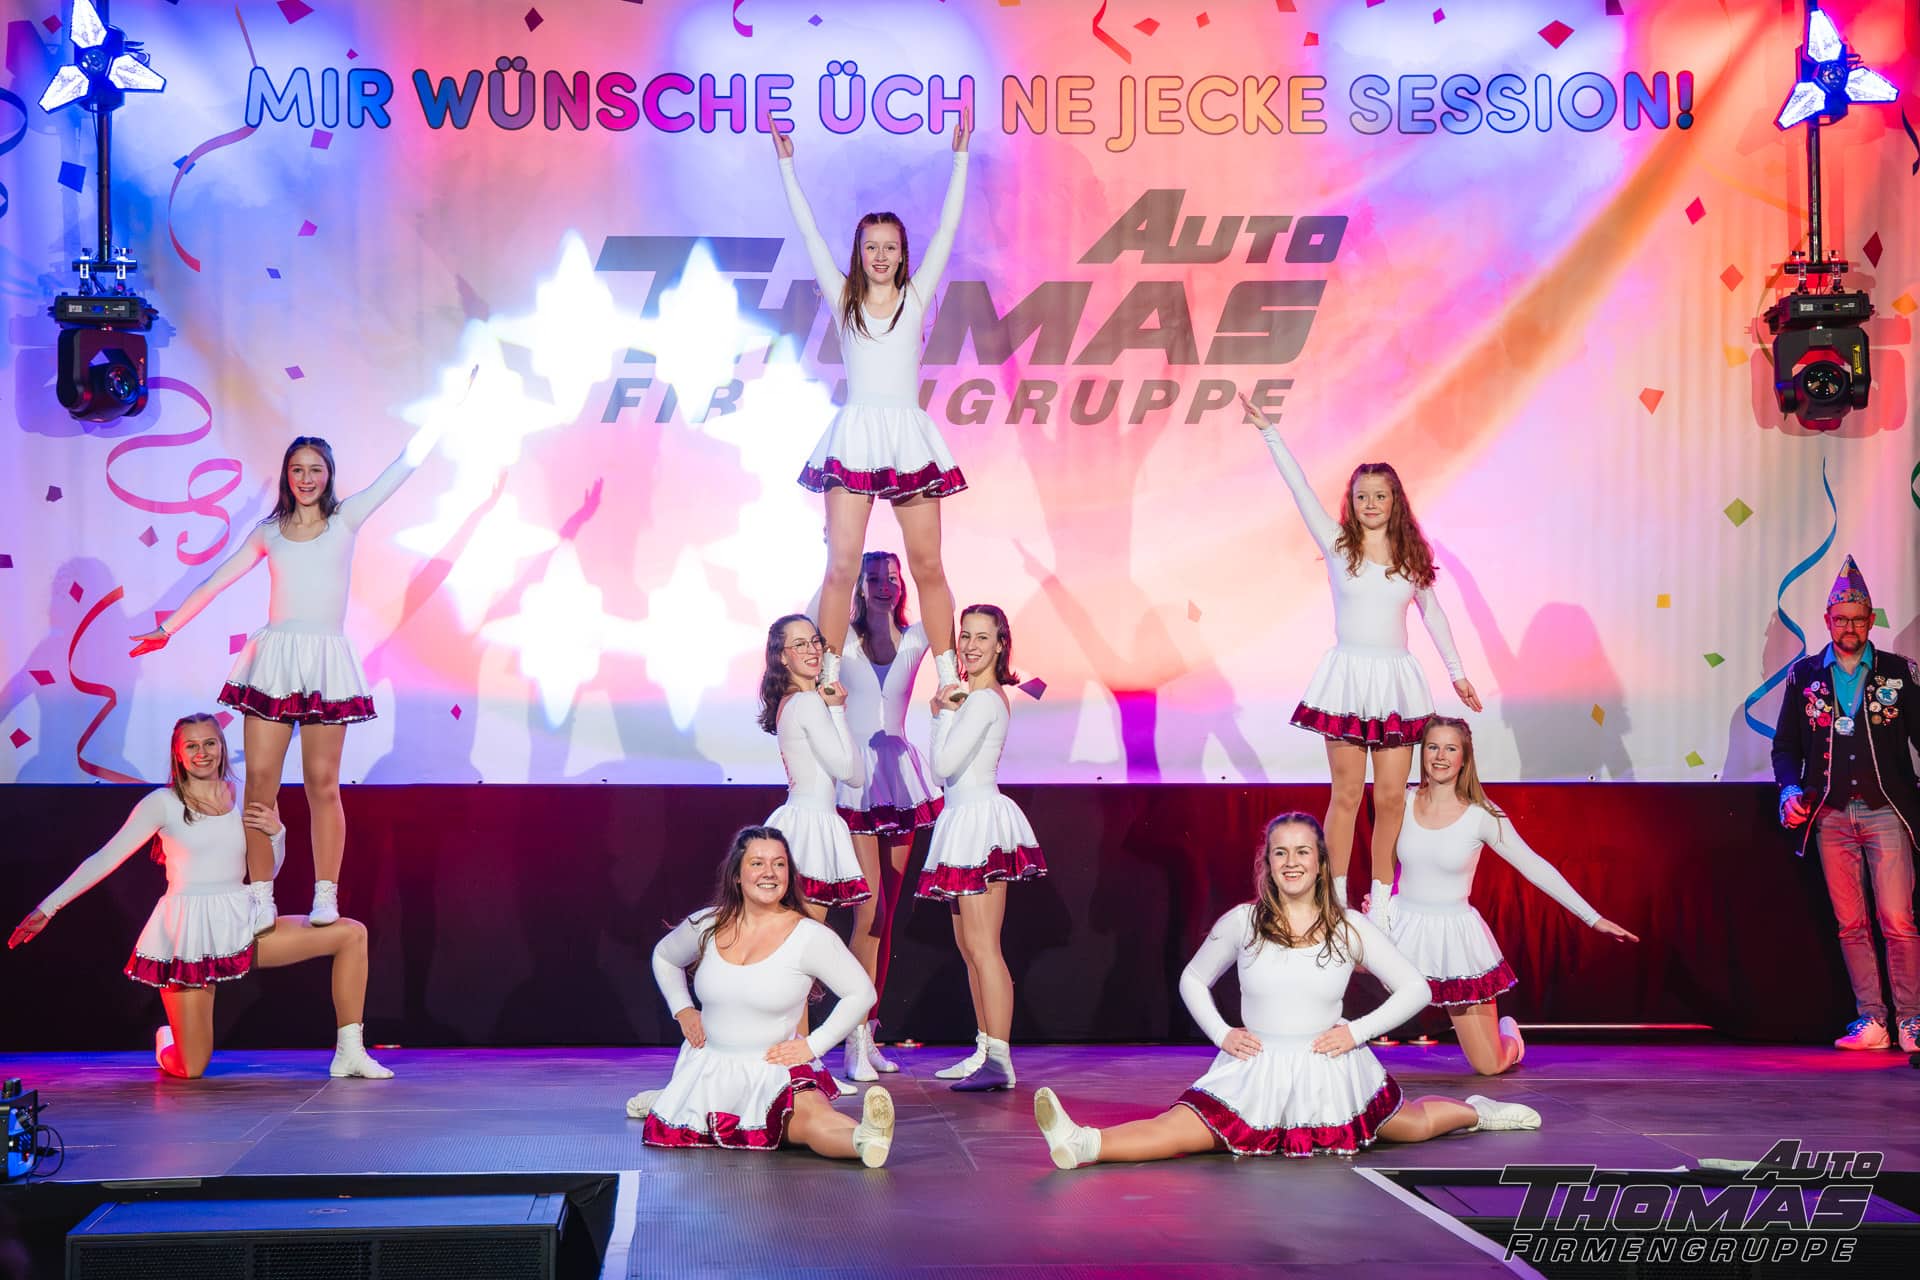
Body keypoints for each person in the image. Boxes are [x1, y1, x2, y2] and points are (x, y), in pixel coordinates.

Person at [1031, 812, 1538, 1167]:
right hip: (1256, 1066)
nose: (1291, 861)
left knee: (1416, 1126)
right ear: (1268, 863)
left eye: (1302, 852)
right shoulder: (1243, 922)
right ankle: (1082, 1142)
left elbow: (1415, 989)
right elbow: (1193, 979)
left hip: (1331, 1069)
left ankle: (1480, 1111)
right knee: (1178, 1130)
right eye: (1280, 852)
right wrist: (1222, 1034)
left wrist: (1356, 1032)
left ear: (1319, 862)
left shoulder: (1349, 926)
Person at [129, 429, 450, 934]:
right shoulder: (269, 532)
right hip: (274, 663)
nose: (306, 478)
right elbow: (216, 580)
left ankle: (326, 893)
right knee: (260, 784)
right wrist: (168, 628)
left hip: (325, 663)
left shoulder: (346, 519)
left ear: (328, 475)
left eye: (315, 469)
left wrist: (450, 413)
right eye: (297, 469)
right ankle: (261, 896)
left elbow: (402, 467)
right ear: (287, 475)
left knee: (322, 784)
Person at [7, 713, 392, 1080]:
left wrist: (278, 834)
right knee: (192, 1067)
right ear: (178, 754)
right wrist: (48, 907)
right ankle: (167, 1039)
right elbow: (105, 858)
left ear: (222, 747)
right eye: (191, 746)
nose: (202, 752)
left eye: (210, 743)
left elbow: (267, 872)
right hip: (187, 934)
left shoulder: (245, 796)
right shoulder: (162, 803)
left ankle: (350, 1052)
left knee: (350, 934)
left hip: (244, 922)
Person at [1238, 393, 1480, 907]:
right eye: (1362, 496)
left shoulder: (1411, 556)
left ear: (1395, 501)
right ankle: (1338, 900)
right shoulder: (1337, 544)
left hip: (1395, 683)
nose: (1371, 504)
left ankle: (1383, 903)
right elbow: (1300, 488)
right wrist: (1268, 431)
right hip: (1347, 680)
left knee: (1391, 798)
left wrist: (1457, 672)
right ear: (1352, 501)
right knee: (1346, 795)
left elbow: (1433, 614)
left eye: (1380, 496)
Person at [774, 111, 973, 704]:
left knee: (928, 565)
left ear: (902, 253)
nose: (880, 256)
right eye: (870, 247)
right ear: (859, 252)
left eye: (889, 247)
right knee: (842, 566)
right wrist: (787, 165)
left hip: (907, 436)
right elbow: (809, 233)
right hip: (856, 434)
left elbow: (949, 227)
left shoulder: (915, 296)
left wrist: (959, 157)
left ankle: (949, 677)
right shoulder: (844, 298)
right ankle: (828, 677)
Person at [1372, 717, 1638, 1074]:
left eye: (1450, 749)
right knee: (1337, 955)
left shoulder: (1482, 815)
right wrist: (1378, 909)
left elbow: (1535, 866)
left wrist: (1593, 918)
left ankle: (1510, 1037)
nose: (1440, 756)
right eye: (1433, 747)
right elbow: (1382, 861)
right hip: (1402, 926)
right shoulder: (1401, 802)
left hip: (1454, 940)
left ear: (1464, 758)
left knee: (1489, 1066)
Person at [628, 827, 894, 1166]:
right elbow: (665, 957)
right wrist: (683, 1010)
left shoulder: (809, 936)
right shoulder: (708, 924)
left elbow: (861, 993)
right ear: (737, 875)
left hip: (774, 1071)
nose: (769, 872)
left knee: (811, 1121)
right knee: (692, 1108)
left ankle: (865, 1139)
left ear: (789, 875)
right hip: (711, 1071)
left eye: (779, 864)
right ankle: (672, 1096)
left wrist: (814, 1045)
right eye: (757, 863)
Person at [1772, 556, 1920, 1052]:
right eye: (1841, 620)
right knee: (1850, 925)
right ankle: (1872, 1020)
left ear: (1871, 620)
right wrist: (1789, 791)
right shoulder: (1804, 676)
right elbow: (1785, 747)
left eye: (1858, 619)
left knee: (1898, 921)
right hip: (1830, 816)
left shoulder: (1899, 673)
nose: (1850, 628)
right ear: (1827, 621)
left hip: (1887, 812)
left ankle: (1913, 1020)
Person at [917, 605, 1046, 1091]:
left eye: (981, 637)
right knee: (969, 947)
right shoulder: (974, 697)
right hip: (962, 820)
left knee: (984, 947)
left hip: (978, 822)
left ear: (1000, 645)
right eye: (965, 636)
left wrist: (941, 715)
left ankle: (999, 1059)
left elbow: (942, 767)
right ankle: (984, 1050)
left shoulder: (983, 701)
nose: (970, 646)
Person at [835, 551, 942, 1080]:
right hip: (857, 780)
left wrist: (927, 562)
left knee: (887, 916)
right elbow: (819, 602)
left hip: (899, 778)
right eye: (873, 579)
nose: (883, 586)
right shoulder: (841, 639)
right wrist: (834, 546)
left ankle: (870, 1032)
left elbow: (948, 611)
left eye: (891, 579)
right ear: (859, 586)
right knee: (869, 912)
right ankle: (852, 1036)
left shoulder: (917, 639)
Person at [759, 614, 871, 909]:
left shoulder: (796, 701)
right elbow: (851, 773)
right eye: (799, 644)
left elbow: (853, 775)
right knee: (804, 929)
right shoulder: (807, 703)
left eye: (814, 641)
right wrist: (837, 710)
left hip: (804, 818)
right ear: (782, 657)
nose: (812, 650)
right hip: (810, 825)